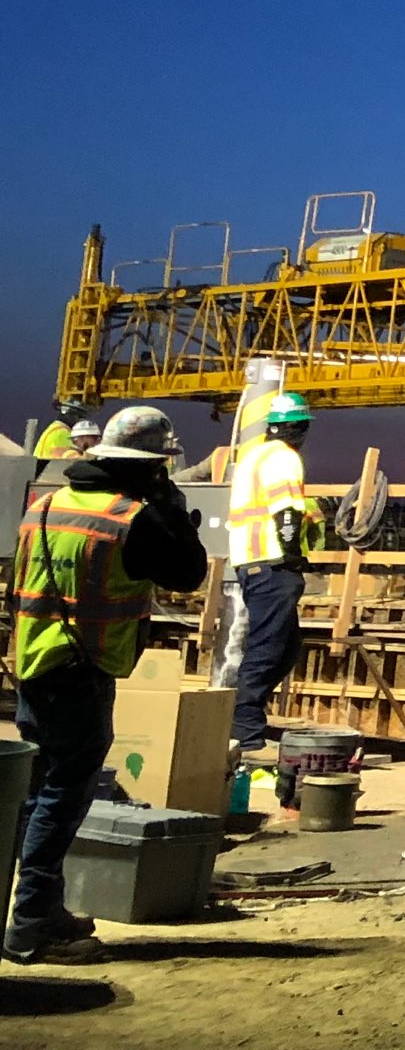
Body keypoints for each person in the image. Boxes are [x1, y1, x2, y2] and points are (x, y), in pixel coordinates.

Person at [7, 406, 208, 963]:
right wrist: (171, 510)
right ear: (146, 466)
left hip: (33, 665)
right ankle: (29, 930)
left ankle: (41, 910)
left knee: (35, 795)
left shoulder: (46, 505)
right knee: (60, 800)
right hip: (81, 670)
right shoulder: (131, 518)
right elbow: (188, 572)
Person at [223, 390, 323, 753]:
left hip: (250, 561)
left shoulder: (254, 456)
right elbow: (286, 512)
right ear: (298, 428)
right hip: (272, 564)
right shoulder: (284, 458)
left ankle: (245, 717)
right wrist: (293, 554)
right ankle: (245, 732)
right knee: (267, 648)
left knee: (286, 645)